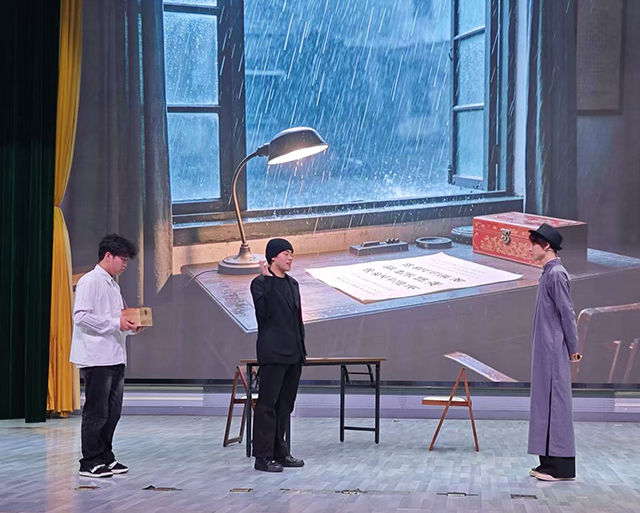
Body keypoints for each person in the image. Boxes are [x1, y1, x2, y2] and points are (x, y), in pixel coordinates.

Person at [70, 234, 145, 478]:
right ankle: (89, 461)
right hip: (96, 356)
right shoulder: (89, 281)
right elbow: (81, 316)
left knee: (113, 412)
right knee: (96, 411)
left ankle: (105, 456)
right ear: (108, 256)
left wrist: (131, 326)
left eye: (127, 260)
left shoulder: (113, 285)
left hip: (115, 355)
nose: (125, 264)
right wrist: (116, 323)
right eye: (123, 259)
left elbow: (118, 319)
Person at [527, 223, 582, 481]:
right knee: (544, 403)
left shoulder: (557, 274)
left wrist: (573, 348)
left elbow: (567, 313)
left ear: (546, 245)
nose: (529, 249)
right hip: (545, 348)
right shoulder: (548, 273)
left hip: (552, 348)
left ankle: (560, 467)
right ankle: (547, 463)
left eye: (533, 244)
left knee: (555, 404)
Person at [250, 238, 307, 472]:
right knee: (267, 405)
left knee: (285, 406)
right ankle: (262, 456)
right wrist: (269, 280)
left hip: (294, 354)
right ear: (273, 257)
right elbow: (264, 314)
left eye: (291, 253)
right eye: (286, 253)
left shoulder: (293, 284)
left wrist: (301, 351)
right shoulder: (260, 283)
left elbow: (295, 319)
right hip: (273, 353)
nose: (290, 257)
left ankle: (279, 452)